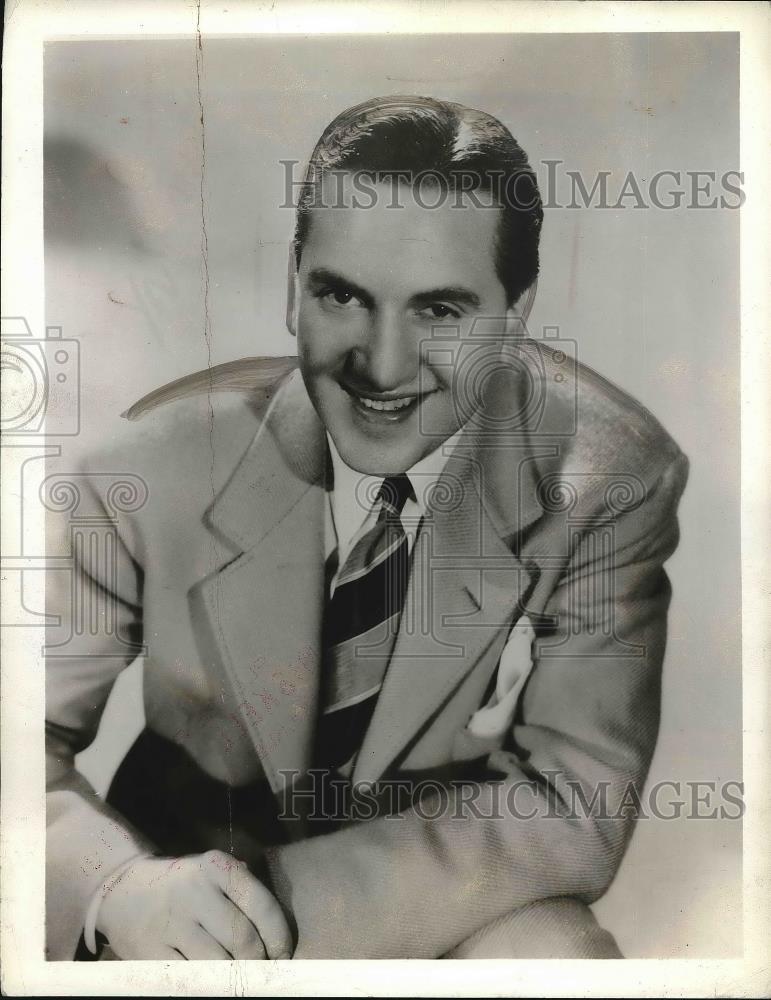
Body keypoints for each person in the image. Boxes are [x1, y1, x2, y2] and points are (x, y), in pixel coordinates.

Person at [45, 95, 689, 960]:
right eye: (343, 295)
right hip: (174, 885)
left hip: (441, 894)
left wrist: (263, 916)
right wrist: (118, 889)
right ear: (292, 286)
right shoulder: (146, 466)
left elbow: (574, 798)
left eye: (440, 312)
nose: (382, 368)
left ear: (517, 313)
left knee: (554, 961)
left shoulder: (606, 477)